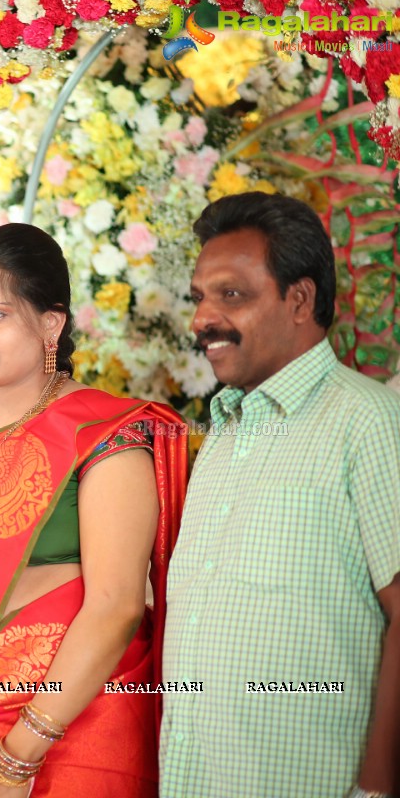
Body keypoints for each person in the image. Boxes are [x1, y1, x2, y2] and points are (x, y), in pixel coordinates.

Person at [0, 224, 189, 797]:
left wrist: (12, 765)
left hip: (77, 735)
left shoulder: (103, 434)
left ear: (51, 322)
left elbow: (116, 607)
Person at [160, 192, 400, 797]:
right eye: (199, 298)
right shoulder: (224, 431)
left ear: (299, 299)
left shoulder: (368, 421)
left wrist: (375, 787)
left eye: (231, 295)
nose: (202, 319)